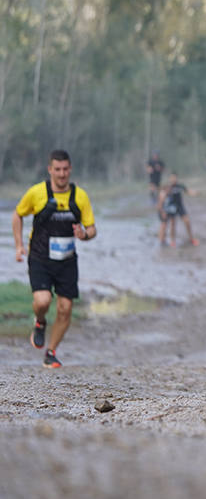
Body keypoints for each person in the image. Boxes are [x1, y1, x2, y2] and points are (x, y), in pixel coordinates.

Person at [11, 150, 97, 368]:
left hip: (67, 261)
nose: (62, 174)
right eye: (57, 169)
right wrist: (19, 245)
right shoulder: (37, 192)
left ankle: (50, 352)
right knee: (43, 301)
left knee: (66, 308)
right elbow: (17, 214)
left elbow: (92, 228)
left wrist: (84, 235)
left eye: (65, 169)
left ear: (70, 169)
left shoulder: (80, 196)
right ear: (50, 169)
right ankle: (39, 322)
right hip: (40, 257)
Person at [157, 173, 199, 247]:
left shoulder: (180, 186)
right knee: (170, 224)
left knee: (187, 221)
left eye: (174, 178)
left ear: (177, 178)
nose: (173, 179)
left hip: (179, 206)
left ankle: (191, 238)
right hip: (171, 207)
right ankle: (171, 241)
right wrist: (162, 210)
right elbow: (161, 200)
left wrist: (195, 193)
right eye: (172, 178)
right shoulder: (167, 187)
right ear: (170, 179)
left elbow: (188, 191)